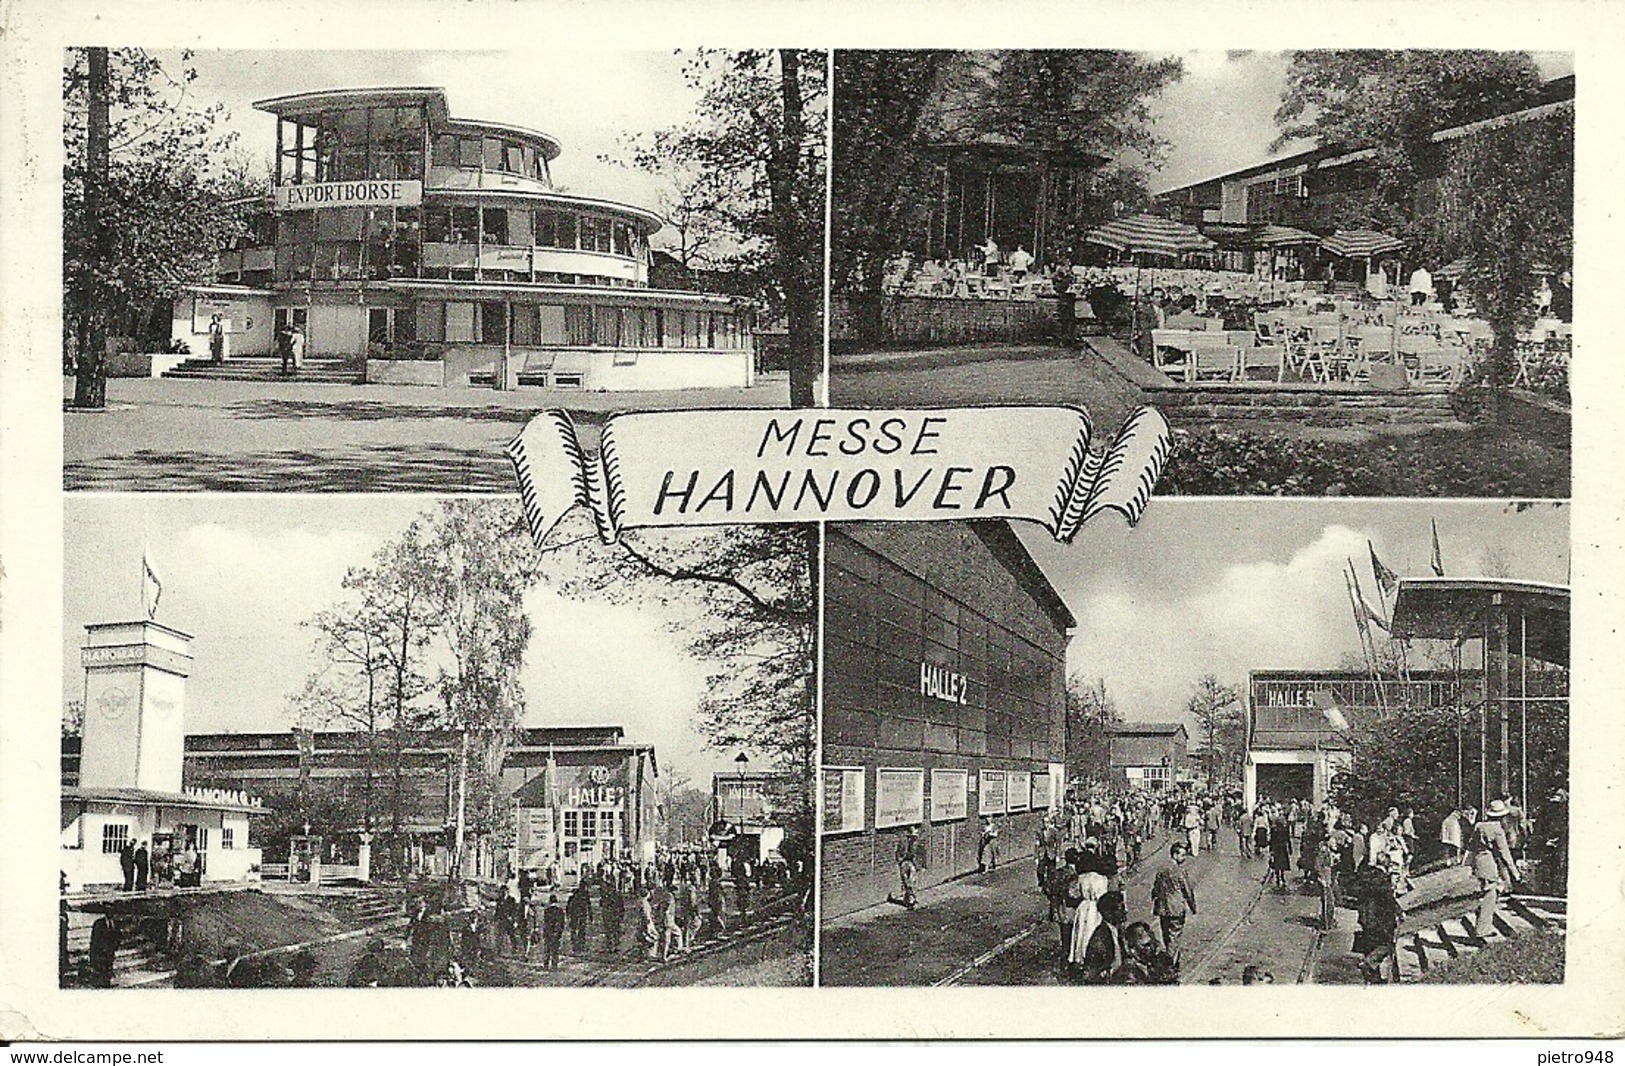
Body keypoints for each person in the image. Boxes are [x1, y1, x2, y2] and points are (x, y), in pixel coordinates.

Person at [1470, 798, 1521, 939]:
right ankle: (1482, 929)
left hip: (1478, 861)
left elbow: (1471, 847)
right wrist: (1515, 872)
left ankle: (1482, 925)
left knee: (1489, 892)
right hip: (1488, 864)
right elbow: (1505, 853)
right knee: (1490, 895)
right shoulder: (1497, 830)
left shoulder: (1479, 826)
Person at [1354, 862, 1402, 984]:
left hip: (1367, 918)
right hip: (1379, 922)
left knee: (1371, 946)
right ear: (1388, 868)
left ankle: (1373, 976)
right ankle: (1368, 963)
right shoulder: (1383, 883)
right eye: (1395, 873)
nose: (1397, 877)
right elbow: (1389, 902)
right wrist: (1399, 913)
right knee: (1387, 945)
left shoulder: (1370, 878)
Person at [1066, 845, 1111, 971]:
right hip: (1095, 907)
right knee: (1092, 931)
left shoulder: (1082, 878)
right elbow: (1103, 896)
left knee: (1080, 932)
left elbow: (1073, 893)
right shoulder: (1102, 879)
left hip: (1083, 906)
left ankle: (1078, 957)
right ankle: (1091, 956)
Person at [1151, 841, 1198, 961]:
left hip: (1162, 908)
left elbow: (1155, 887)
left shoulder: (1161, 868)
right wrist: (1193, 907)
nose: (1184, 858)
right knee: (1175, 937)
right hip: (1176, 909)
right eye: (1182, 855)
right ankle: (1170, 963)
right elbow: (1187, 891)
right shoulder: (1179, 871)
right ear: (1175, 855)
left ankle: (1169, 957)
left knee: (1166, 935)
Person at [1080, 890, 1127, 984]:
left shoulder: (1115, 930)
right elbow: (1090, 975)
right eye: (1121, 908)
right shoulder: (1100, 938)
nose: (1125, 911)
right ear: (1109, 913)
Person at [895, 826, 921, 909]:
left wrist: (918, 864)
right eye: (913, 836)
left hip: (911, 863)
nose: (914, 838)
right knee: (906, 882)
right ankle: (908, 900)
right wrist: (900, 861)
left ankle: (911, 900)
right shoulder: (903, 842)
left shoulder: (916, 844)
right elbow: (898, 852)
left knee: (911, 881)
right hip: (904, 863)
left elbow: (919, 854)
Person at [566, 880, 593, 955]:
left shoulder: (581, 893)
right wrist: (590, 915)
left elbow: (588, 904)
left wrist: (590, 914)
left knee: (580, 929)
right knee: (577, 929)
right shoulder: (579, 893)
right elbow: (588, 904)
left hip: (578, 914)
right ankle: (577, 945)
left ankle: (579, 945)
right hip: (578, 913)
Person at [541, 892, 565, 971]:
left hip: (548, 933)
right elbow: (562, 923)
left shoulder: (547, 911)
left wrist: (546, 932)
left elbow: (545, 922)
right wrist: (559, 932)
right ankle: (554, 965)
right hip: (556, 933)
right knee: (555, 950)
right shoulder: (560, 911)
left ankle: (546, 965)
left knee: (547, 949)